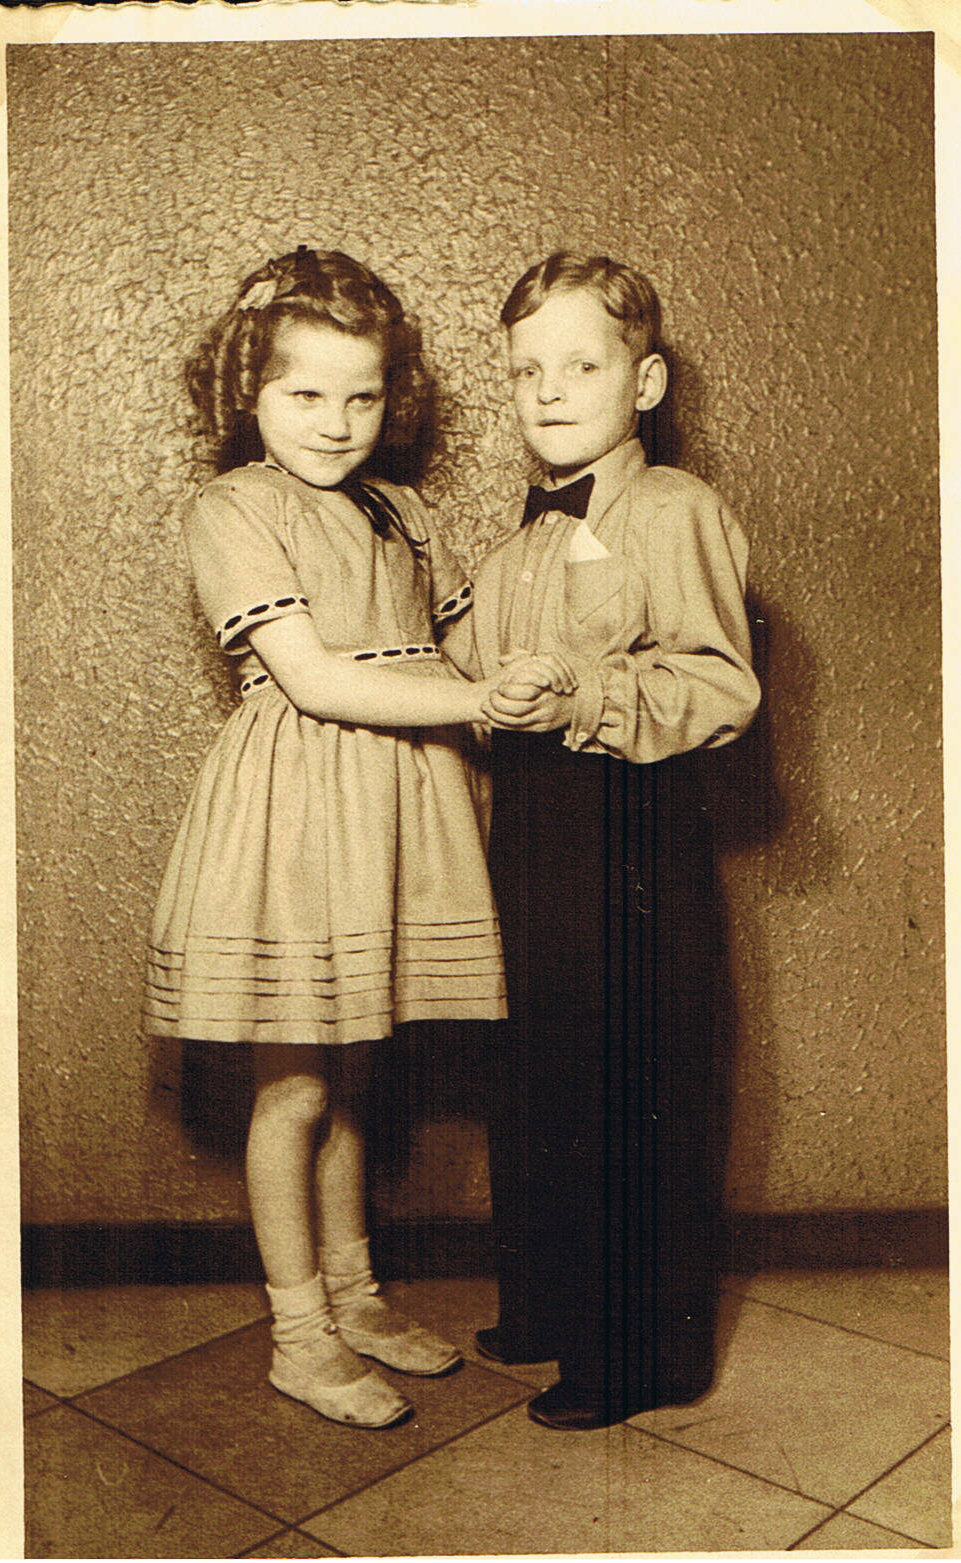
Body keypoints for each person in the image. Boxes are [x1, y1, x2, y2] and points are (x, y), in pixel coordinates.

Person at [144, 247, 542, 1429]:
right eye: (306, 392)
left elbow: (457, 647)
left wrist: (531, 668)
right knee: (297, 1084)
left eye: (361, 396)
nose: (335, 421)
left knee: (357, 1070)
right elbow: (316, 679)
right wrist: (475, 698)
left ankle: (355, 1296)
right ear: (249, 391)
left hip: (397, 805)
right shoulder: (233, 508)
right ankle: (299, 1335)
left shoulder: (403, 511)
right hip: (303, 811)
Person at [465, 252, 761, 1430]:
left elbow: (722, 686)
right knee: (541, 1071)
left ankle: (641, 1353)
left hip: (637, 832)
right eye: (525, 370)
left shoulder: (675, 508)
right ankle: (551, 1304)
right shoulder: (516, 544)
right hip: (535, 830)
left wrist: (582, 694)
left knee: (636, 1088)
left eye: (580, 366)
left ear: (645, 382)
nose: (548, 391)